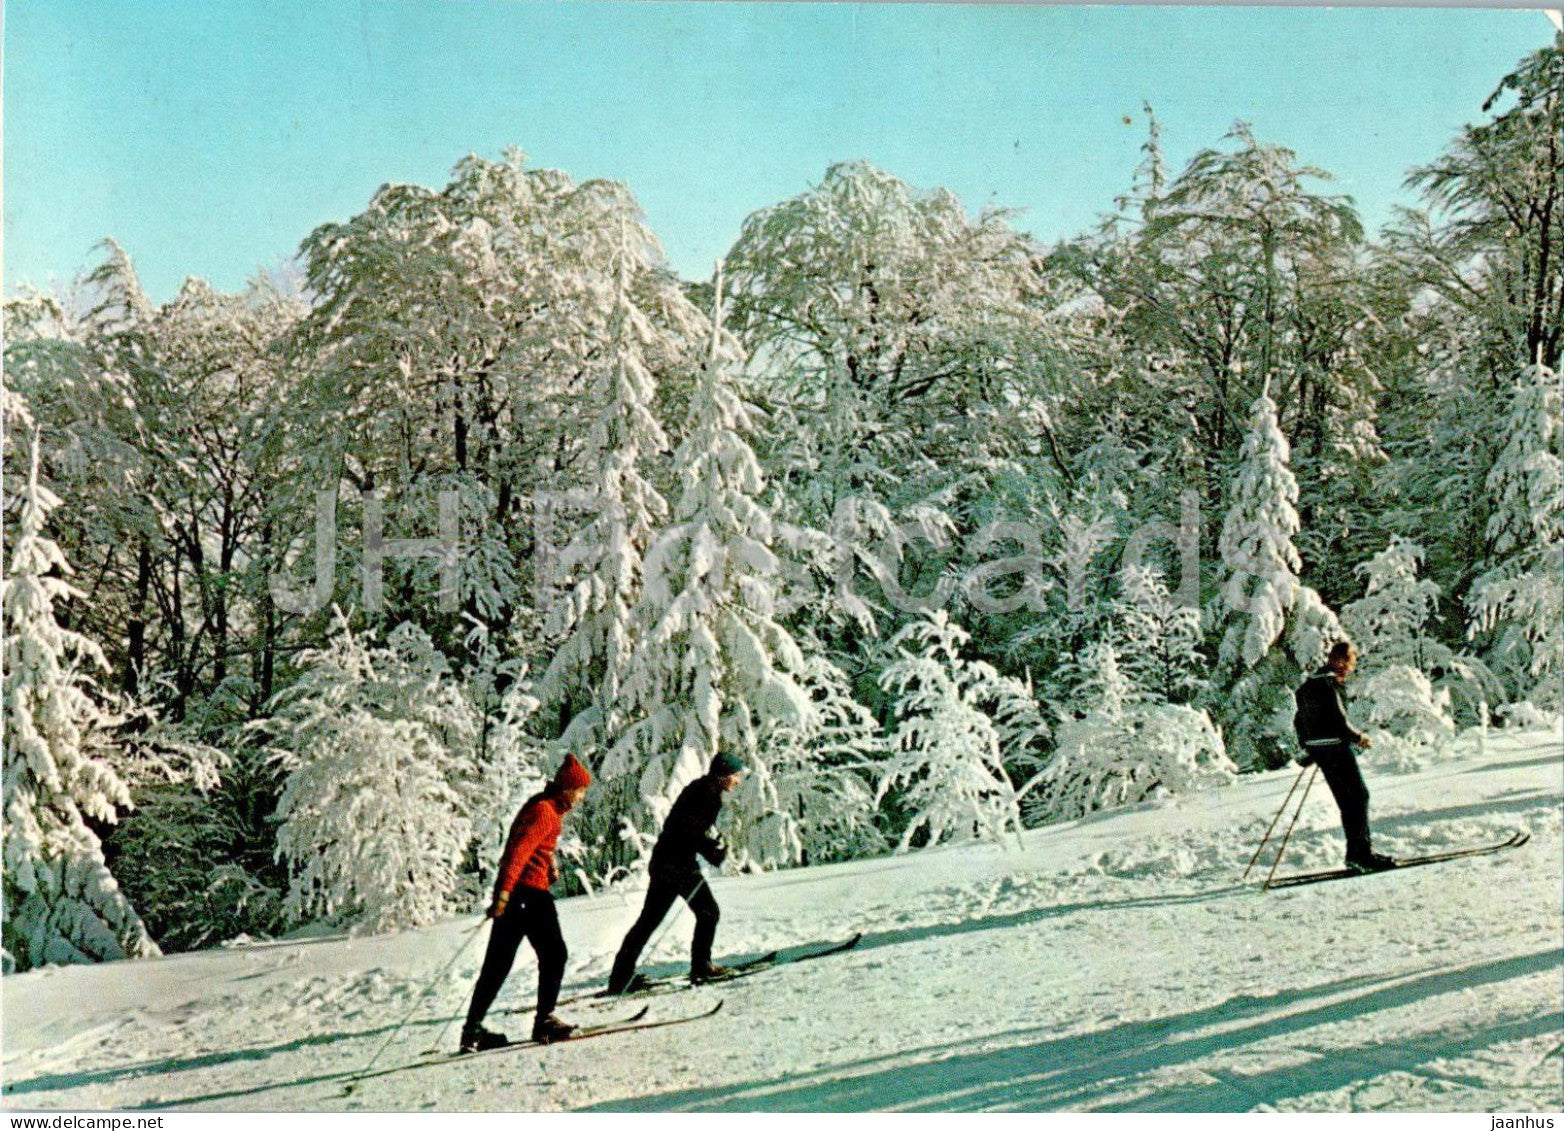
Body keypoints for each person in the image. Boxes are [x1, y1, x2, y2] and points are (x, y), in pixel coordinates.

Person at [460, 753, 593, 1052]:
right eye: (580, 790)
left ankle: (472, 1031)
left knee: (497, 965)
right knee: (555, 954)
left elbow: (534, 846)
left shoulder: (544, 807)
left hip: (520, 893)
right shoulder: (545, 811)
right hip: (528, 895)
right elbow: (518, 852)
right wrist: (503, 893)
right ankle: (544, 1021)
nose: (582, 797)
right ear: (567, 788)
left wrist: (549, 863)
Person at [606, 752, 745, 994]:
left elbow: (691, 830)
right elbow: (689, 830)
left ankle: (620, 977)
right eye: (735, 774)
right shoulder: (705, 795)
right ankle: (701, 967)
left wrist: (711, 848)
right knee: (708, 913)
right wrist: (713, 851)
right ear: (723, 774)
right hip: (677, 866)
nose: (737, 780)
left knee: (648, 922)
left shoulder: (703, 790)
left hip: (668, 862)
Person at [1294, 641, 1394, 873]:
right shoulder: (1328, 684)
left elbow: (1299, 720)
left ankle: (1356, 854)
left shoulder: (1308, 685)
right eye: (1350, 662)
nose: (1350, 668)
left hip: (1319, 749)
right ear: (1339, 660)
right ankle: (1361, 855)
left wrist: (1309, 746)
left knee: (1347, 801)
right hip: (1336, 747)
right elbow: (1338, 719)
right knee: (1358, 796)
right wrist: (1358, 737)